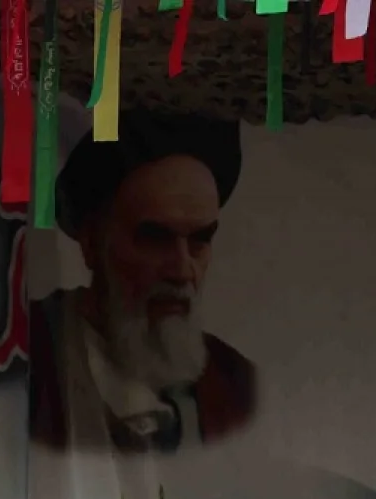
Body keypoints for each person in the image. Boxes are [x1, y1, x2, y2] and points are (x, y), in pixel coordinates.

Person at [29, 113, 256, 453]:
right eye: (155, 239)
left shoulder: (232, 384)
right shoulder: (30, 359)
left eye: (199, 240)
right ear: (92, 245)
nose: (182, 270)